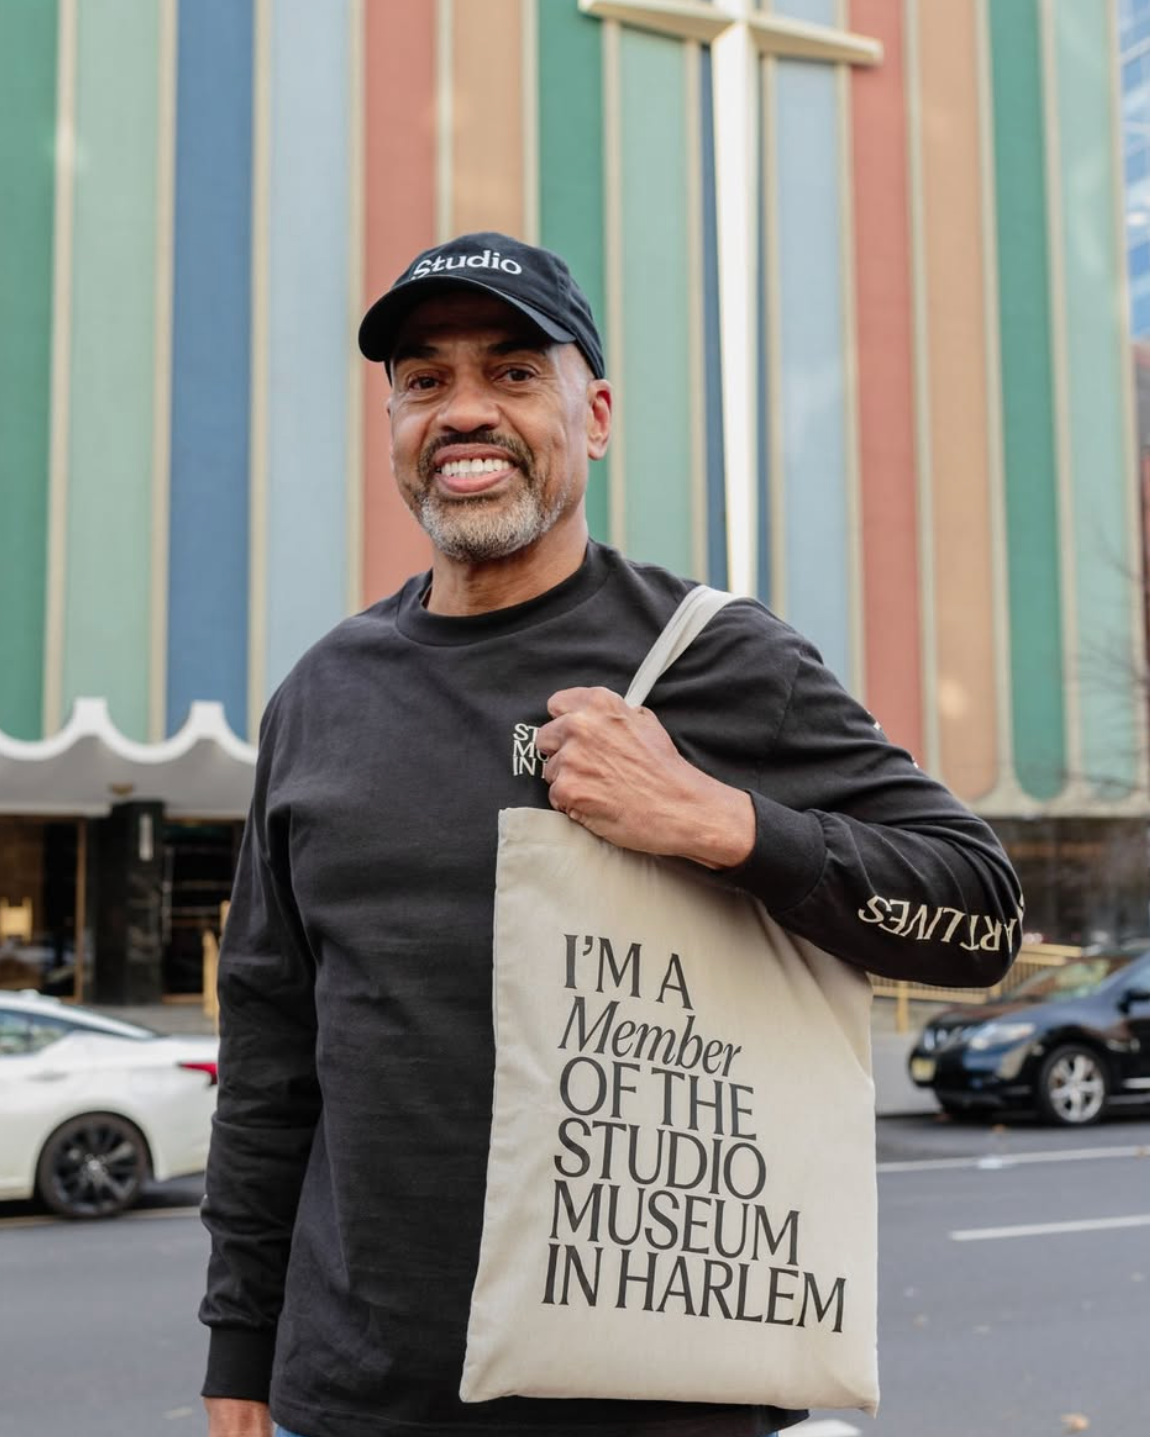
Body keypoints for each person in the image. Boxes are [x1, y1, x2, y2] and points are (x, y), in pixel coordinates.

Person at [199, 231, 1022, 1437]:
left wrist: (718, 822)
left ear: (593, 413)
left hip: (655, 1396)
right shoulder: (323, 695)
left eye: (513, 372)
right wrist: (239, 1352)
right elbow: (271, 1052)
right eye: (424, 381)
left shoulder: (718, 658)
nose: (464, 411)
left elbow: (981, 915)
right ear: (392, 426)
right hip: (356, 1397)